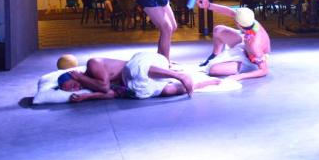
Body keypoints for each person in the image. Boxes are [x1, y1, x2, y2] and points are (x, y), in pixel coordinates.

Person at [57, 52, 219, 103]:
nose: (75, 89)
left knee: (135, 70)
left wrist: (82, 79)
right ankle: (200, 84)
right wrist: (86, 97)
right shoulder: (90, 85)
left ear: (74, 75)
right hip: (138, 82)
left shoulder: (93, 64)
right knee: (167, 91)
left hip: (146, 64)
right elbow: (111, 93)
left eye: (72, 85)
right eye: (70, 90)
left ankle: (179, 75)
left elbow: (105, 87)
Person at [196, 0, 271, 81]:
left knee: (213, 70)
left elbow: (264, 70)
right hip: (245, 46)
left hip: (252, 62)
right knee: (218, 30)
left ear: (238, 24)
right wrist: (208, 5)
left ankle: (243, 68)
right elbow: (229, 11)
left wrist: (239, 76)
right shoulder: (249, 20)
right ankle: (214, 56)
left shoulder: (254, 45)